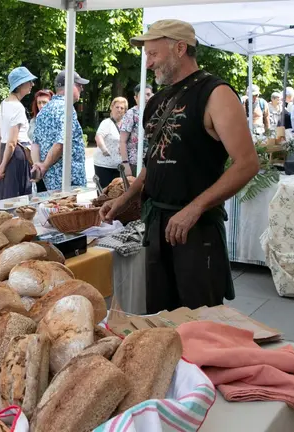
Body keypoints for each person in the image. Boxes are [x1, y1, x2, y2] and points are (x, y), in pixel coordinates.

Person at [101, 19, 259, 315]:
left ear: (180, 48)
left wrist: (194, 208)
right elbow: (152, 163)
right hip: (157, 227)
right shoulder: (156, 102)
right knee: (162, 319)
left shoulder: (216, 93)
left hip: (197, 230)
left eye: (153, 54)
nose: (148, 63)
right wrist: (125, 198)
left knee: (200, 321)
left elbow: (248, 163)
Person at [31, 70, 89, 191]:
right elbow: (62, 142)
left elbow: (35, 143)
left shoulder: (44, 110)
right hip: (69, 181)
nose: (81, 88)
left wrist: (37, 165)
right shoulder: (67, 109)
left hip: (50, 182)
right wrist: (44, 166)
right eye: (78, 85)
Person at [0, 67, 36, 200]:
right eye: (29, 81)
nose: (32, 84)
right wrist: (2, 166)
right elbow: (12, 142)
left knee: (4, 195)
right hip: (16, 154)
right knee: (17, 198)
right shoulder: (17, 107)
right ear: (20, 85)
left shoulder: (3, 104)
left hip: (4, 151)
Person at [94, 97, 129, 189]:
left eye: (122, 108)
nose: (119, 110)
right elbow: (98, 137)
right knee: (104, 192)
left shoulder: (126, 125)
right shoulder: (106, 123)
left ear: (125, 111)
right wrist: (104, 150)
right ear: (112, 108)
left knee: (116, 192)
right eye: (117, 107)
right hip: (104, 165)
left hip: (119, 166)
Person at [120, 84, 154, 176]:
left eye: (149, 94)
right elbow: (122, 141)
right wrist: (125, 164)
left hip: (151, 163)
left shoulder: (155, 113)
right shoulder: (131, 114)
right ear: (136, 98)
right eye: (143, 95)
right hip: (134, 164)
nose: (146, 98)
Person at [29, 89, 53, 192]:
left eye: (44, 102)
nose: (41, 106)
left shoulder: (55, 120)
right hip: (36, 163)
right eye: (39, 103)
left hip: (52, 165)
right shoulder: (34, 121)